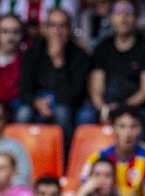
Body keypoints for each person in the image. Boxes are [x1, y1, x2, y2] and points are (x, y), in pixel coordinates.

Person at [80, 0, 145, 129]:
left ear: (136, 17)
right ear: (110, 17)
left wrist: (122, 109)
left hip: (136, 107)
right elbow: (96, 89)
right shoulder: (102, 48)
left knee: (135, 122)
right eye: (118, 12)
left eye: (128, 12)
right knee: (85, 115)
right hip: (106, 106)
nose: (123, 17)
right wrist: (104, 109)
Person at [15, 8, 89, 139]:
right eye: (52, 25)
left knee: (61, 113)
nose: (57, 30)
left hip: (65, 102)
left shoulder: (80, 56)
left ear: (70, 29)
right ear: (44, 28)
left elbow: (73, 96)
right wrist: (36, 102)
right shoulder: (32, 52)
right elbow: (24, 89)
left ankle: (64, 157)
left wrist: (58, 61)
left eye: (63, 25)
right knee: (23, 113)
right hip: (37, 99)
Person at [82, 107, 145, 196]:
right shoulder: (98, 158)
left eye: (133, 126)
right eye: (122, 126)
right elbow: (84, 190)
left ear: (140, 128)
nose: (128, 132)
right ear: (113, 128)